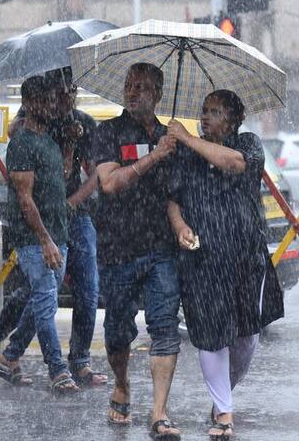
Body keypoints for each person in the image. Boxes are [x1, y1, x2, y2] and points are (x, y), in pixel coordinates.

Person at [0, 68, 107, 387]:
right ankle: (24, 355)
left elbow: (92, 174)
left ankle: (74, 361)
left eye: (70, 91)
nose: (65, 97)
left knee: (83, 290)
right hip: (40, 220)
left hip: (74, 216)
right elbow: (17, 140)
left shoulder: (82, 124)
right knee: (40, 291)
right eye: (58, 92)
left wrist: (71, 199)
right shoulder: (37, 123)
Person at [166, 90, 285, 439]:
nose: (205, 118)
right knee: (211, 336)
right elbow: (173, 200)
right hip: (204, 259)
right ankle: (224, 412)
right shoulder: (185, 155)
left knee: (247, 335)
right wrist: (180, 226)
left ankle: (224, 395)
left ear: (233, 120)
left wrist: (187, 137)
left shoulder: (248, 144)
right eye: (203, 111)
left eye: (215, 112)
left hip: (245, 257)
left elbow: (233, 164)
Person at [94, 62, 181, 440]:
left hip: (161, 248)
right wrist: (154, 156)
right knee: (117, 332)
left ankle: (159, 412)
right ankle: (122, 383)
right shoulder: (107, 132)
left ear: (158, 94)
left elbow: (176, 194)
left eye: (143, 87)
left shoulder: (170, 138)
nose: (133, 92)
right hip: (118, 248)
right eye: (129, 85)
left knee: (164, 327)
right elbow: (110, 183)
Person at [0, 75, 78, 394]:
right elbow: (25, 199)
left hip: (59, 233)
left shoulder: (50, 140)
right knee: (44, 300)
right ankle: (58, 369)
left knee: (40, 301)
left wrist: (68, 144)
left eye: (53, 100)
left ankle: (9, 357)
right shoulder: (22, 143)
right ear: (27, 104)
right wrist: (44, 240)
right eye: (43, 101)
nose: (51, 105)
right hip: (34, 239)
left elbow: (64, 175)